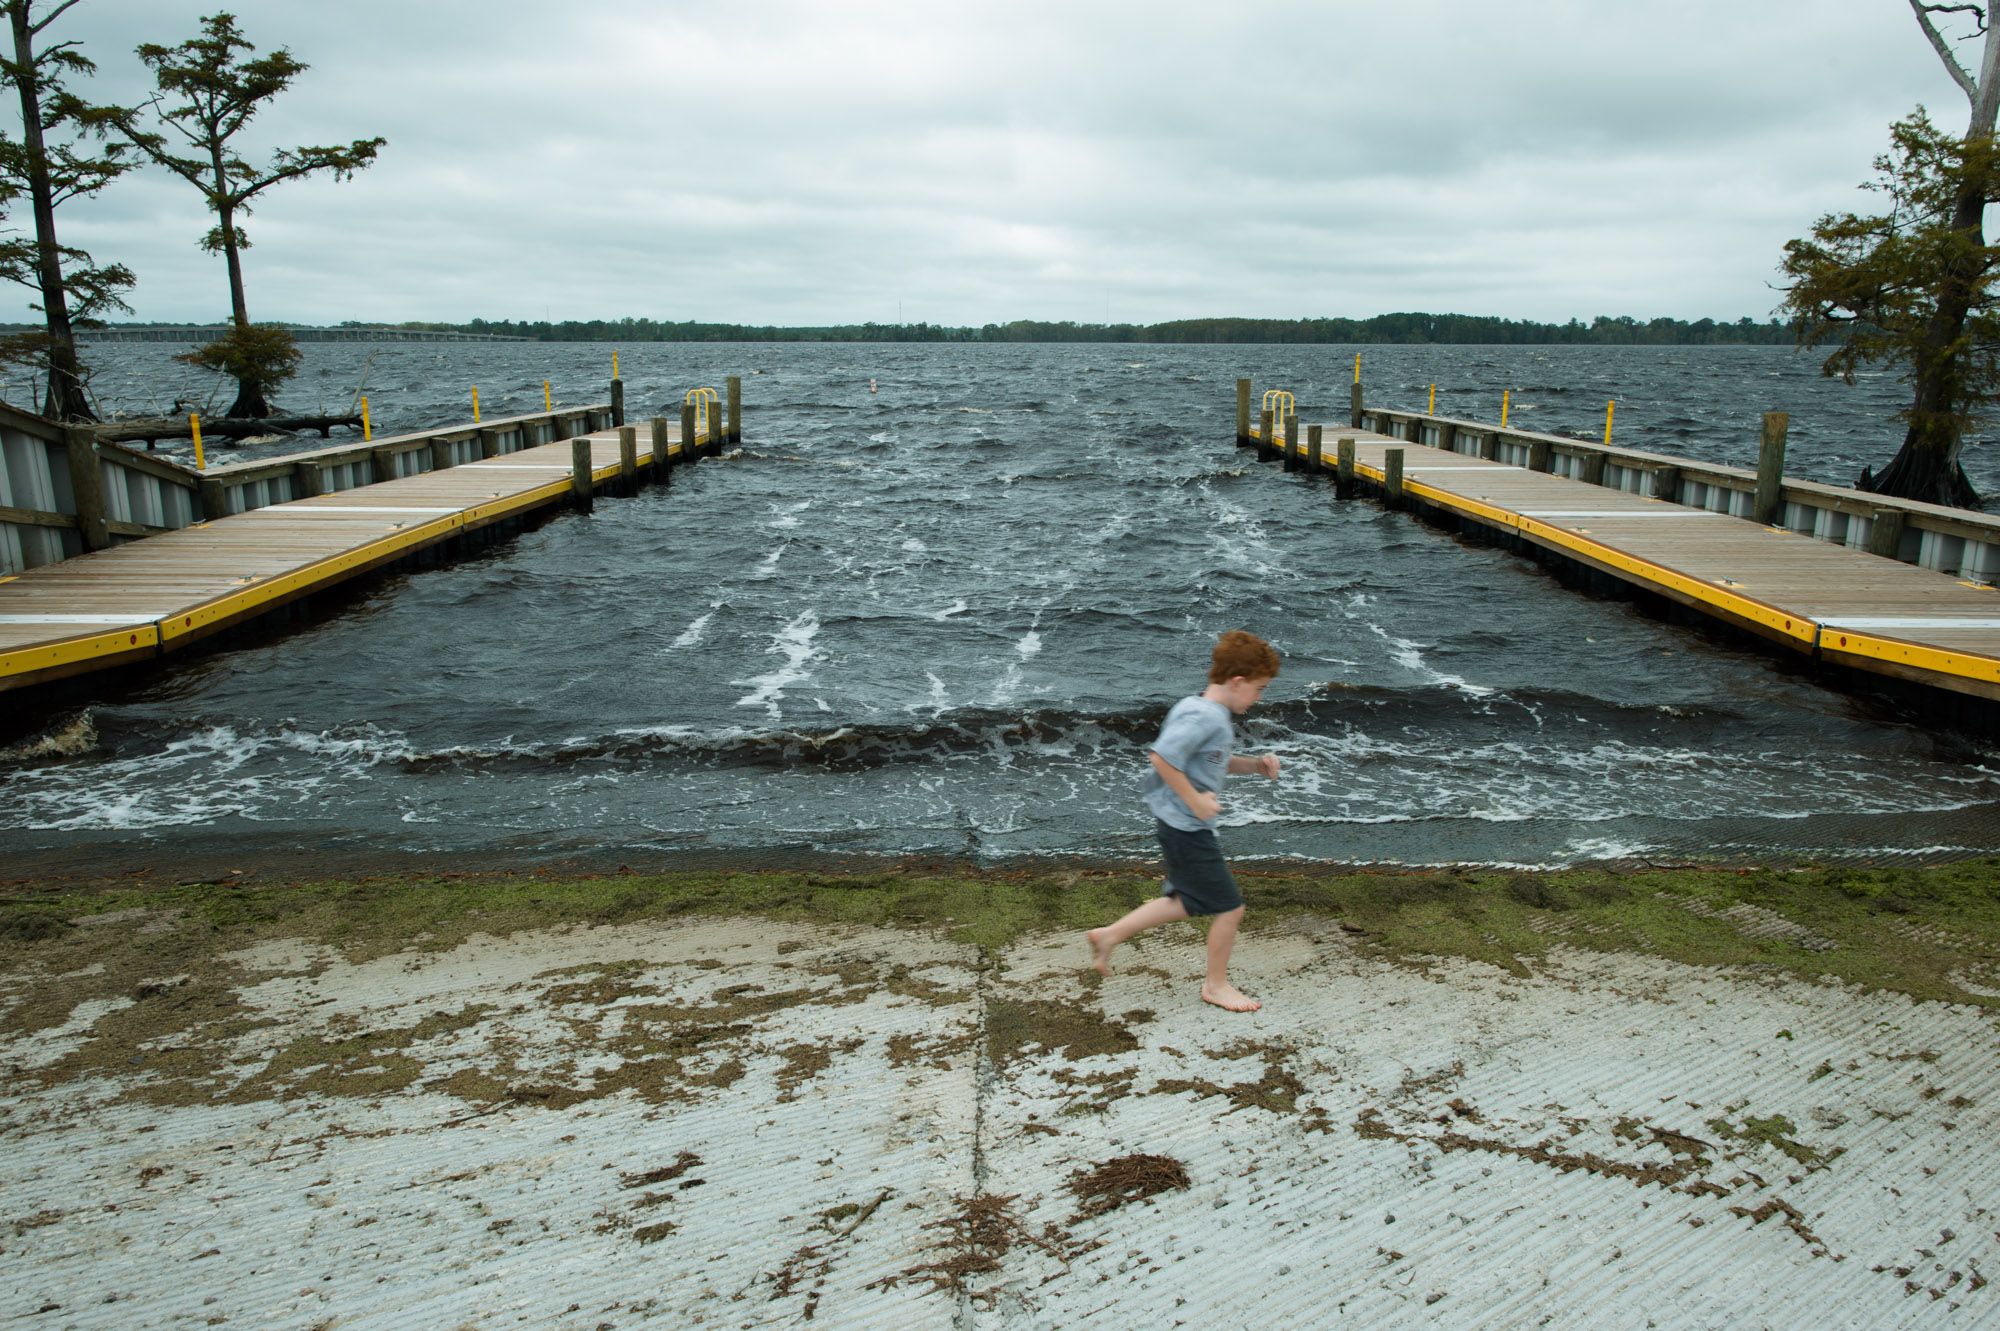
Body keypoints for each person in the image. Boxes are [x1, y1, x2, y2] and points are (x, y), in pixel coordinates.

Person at [1088, 629, 1281, 1012]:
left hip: (1178, 824)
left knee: (1185, 900)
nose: (1260, 698)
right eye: (1259, 689)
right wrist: (1195, 801)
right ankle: (1216, 986)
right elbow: (1162, 757)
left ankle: (1109, 935)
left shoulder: (1201, 708)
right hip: (1187, 827)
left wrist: (1256, 766)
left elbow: (1212, 761)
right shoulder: (1206, 717)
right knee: (1230, 908)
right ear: (1237, 681)